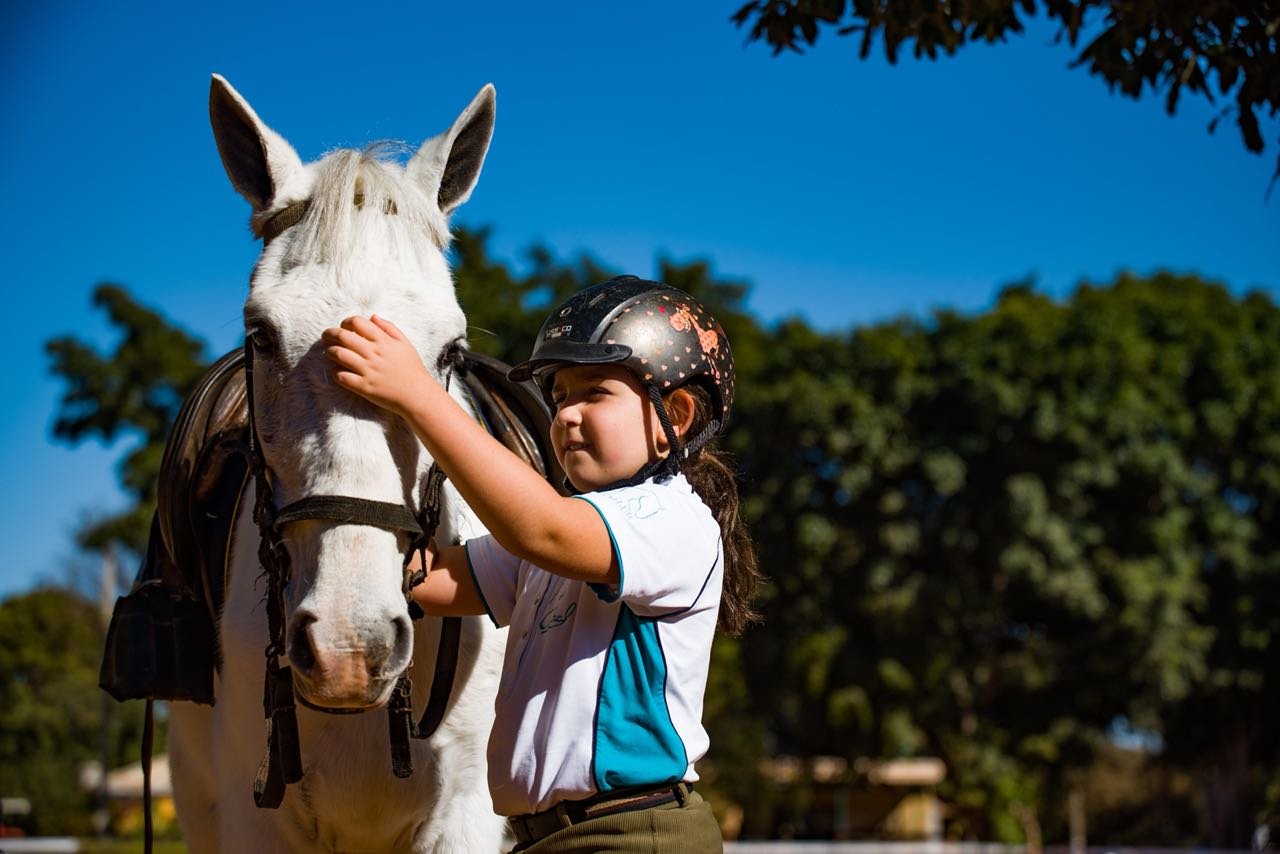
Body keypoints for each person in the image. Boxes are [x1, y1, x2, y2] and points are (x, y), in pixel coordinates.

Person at [322, 275, 760, 852]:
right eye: (559, 398)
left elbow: (542, 527)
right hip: (547, 839)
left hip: (632, 833)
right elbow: (429, 579)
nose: (567, 416)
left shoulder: (672, 517)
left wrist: (417, 395)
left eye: (594, 393)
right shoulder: (561, 544)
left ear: (674, 416)